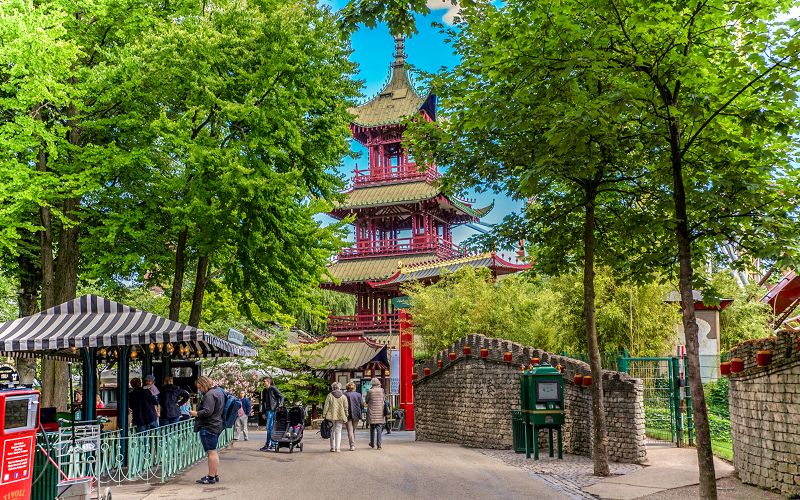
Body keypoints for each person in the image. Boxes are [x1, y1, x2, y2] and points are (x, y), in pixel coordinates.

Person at [190, 376, 225, 485]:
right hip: (217, 424)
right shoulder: (219, 392)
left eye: (200, 387)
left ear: (204, 384)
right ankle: (214, 474)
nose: (199, 389)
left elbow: (207, 411)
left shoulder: (209, 395)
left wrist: (195, 413)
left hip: (209, 426)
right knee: (213, 451)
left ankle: (210, 477)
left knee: (211, 452)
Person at [259, 376, 284, 451]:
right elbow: (263, 402)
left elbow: (282, 396)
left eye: (264, 381)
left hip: (273, 410)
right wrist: (263, 413)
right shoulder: (264, 390)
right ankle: (272, 444)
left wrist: (280, 405)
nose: (263, 383)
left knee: (269, 427)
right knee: (270, 427)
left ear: (268, 382)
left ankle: (269, 445)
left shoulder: (273, 388)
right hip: (267, 411)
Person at [322, 382, 349, 453]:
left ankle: (332, 447)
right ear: (339, 387)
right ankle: (338, 448)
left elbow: (326, 406)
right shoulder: (343, 396)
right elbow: (346, 407)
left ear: (333, 387)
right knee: (338, 431)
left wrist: (324, 414)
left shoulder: (329, 395)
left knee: (332, 431)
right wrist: (346, 415)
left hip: (331, 416)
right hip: (340, 415)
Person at [365, 378, 386, 449]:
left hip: (372, 412)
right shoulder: (382, 390)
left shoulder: (370, 391)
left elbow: (367, 401)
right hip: (380, 412)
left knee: (372, 428)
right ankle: (379, 445)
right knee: (379, 429)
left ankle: (372, 443)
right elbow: (384, 399)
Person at [344, 382, 363, 451]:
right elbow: (361, 404)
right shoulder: (358, 394)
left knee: (350, 430)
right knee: (353, 430)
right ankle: (353, 444)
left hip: (347, 414)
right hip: (356, 414)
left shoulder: (344, 395)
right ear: (354, 387)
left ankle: (352, 445)